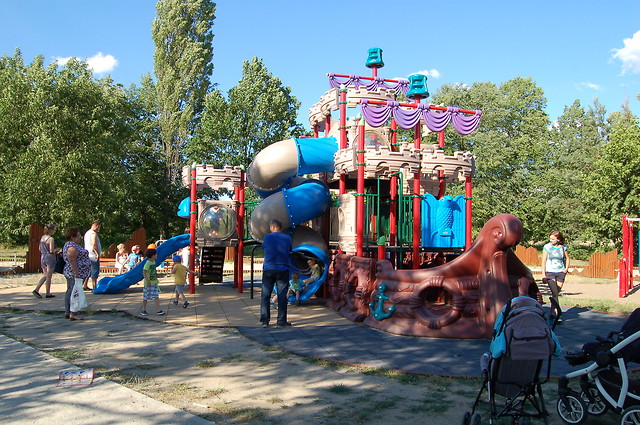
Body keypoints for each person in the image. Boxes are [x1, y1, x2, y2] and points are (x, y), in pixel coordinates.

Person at [260, 219, 292, 328]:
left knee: (265, 295)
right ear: (280, 228)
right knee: (282, 295)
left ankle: (265, 321)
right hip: (282, 269)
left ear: (273, 227)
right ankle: (281, 321)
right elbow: (289, 250)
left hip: (268, 269)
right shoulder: (287, 238)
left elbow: (264, 248)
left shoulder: (267, 237)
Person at [62, 227, 91, 320]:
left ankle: (68, 311)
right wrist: (76, 274)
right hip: (74, 273)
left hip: (75, 273)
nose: (80, 237)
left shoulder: (72, 245)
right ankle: (73, 313)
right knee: (74, 292)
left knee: (71, 291)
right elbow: (72, 260)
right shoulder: (72, 247)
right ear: (72, 236)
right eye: (78, 235)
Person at [541, 230, 570, 304]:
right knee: (554, 293)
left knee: (555, 294)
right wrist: (543, 275)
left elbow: (567, 258)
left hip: (560, 272)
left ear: (558, 239)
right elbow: (543, 261)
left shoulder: (563, 247)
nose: (551, 240)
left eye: (553, 239)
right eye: (550, 238)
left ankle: (552, 310)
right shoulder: (547, 247)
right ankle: (557, 309)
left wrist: (566, 269)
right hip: (550, 272)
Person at [33, 223, 60, 298]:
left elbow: (39, 248)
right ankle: (47, 293)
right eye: (54, 230)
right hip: (50, 258)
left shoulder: (42, 237)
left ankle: (37, 289)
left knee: (45, 275)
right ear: (51, 230)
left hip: (43, 257)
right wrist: (57, 250)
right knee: (49, 276)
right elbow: (51, 251)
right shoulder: (50, 239)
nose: (54, 231)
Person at [140, 248, 165, 316]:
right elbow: (144, 272)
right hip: (149, 283)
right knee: (146, 297)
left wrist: (156, 279)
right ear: (153, 255)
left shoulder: (153, 261)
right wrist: (147, 280)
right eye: (156, 254)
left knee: (156, 296)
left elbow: (153, 271)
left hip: (154, 282)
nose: (157, 255)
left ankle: (158, 310)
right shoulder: (148, 263)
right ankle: (143, 310)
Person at [83, 220, 101, 291]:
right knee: (95, 271)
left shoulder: (87, 233)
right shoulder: (93, 234)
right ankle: (94, 287)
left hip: (87, 254)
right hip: (93, 255)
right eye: (99, 227)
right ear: (97, 226)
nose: (99, 229)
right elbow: (94, 244)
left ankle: (85, 285)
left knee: (89, 271)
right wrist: (97, 253)